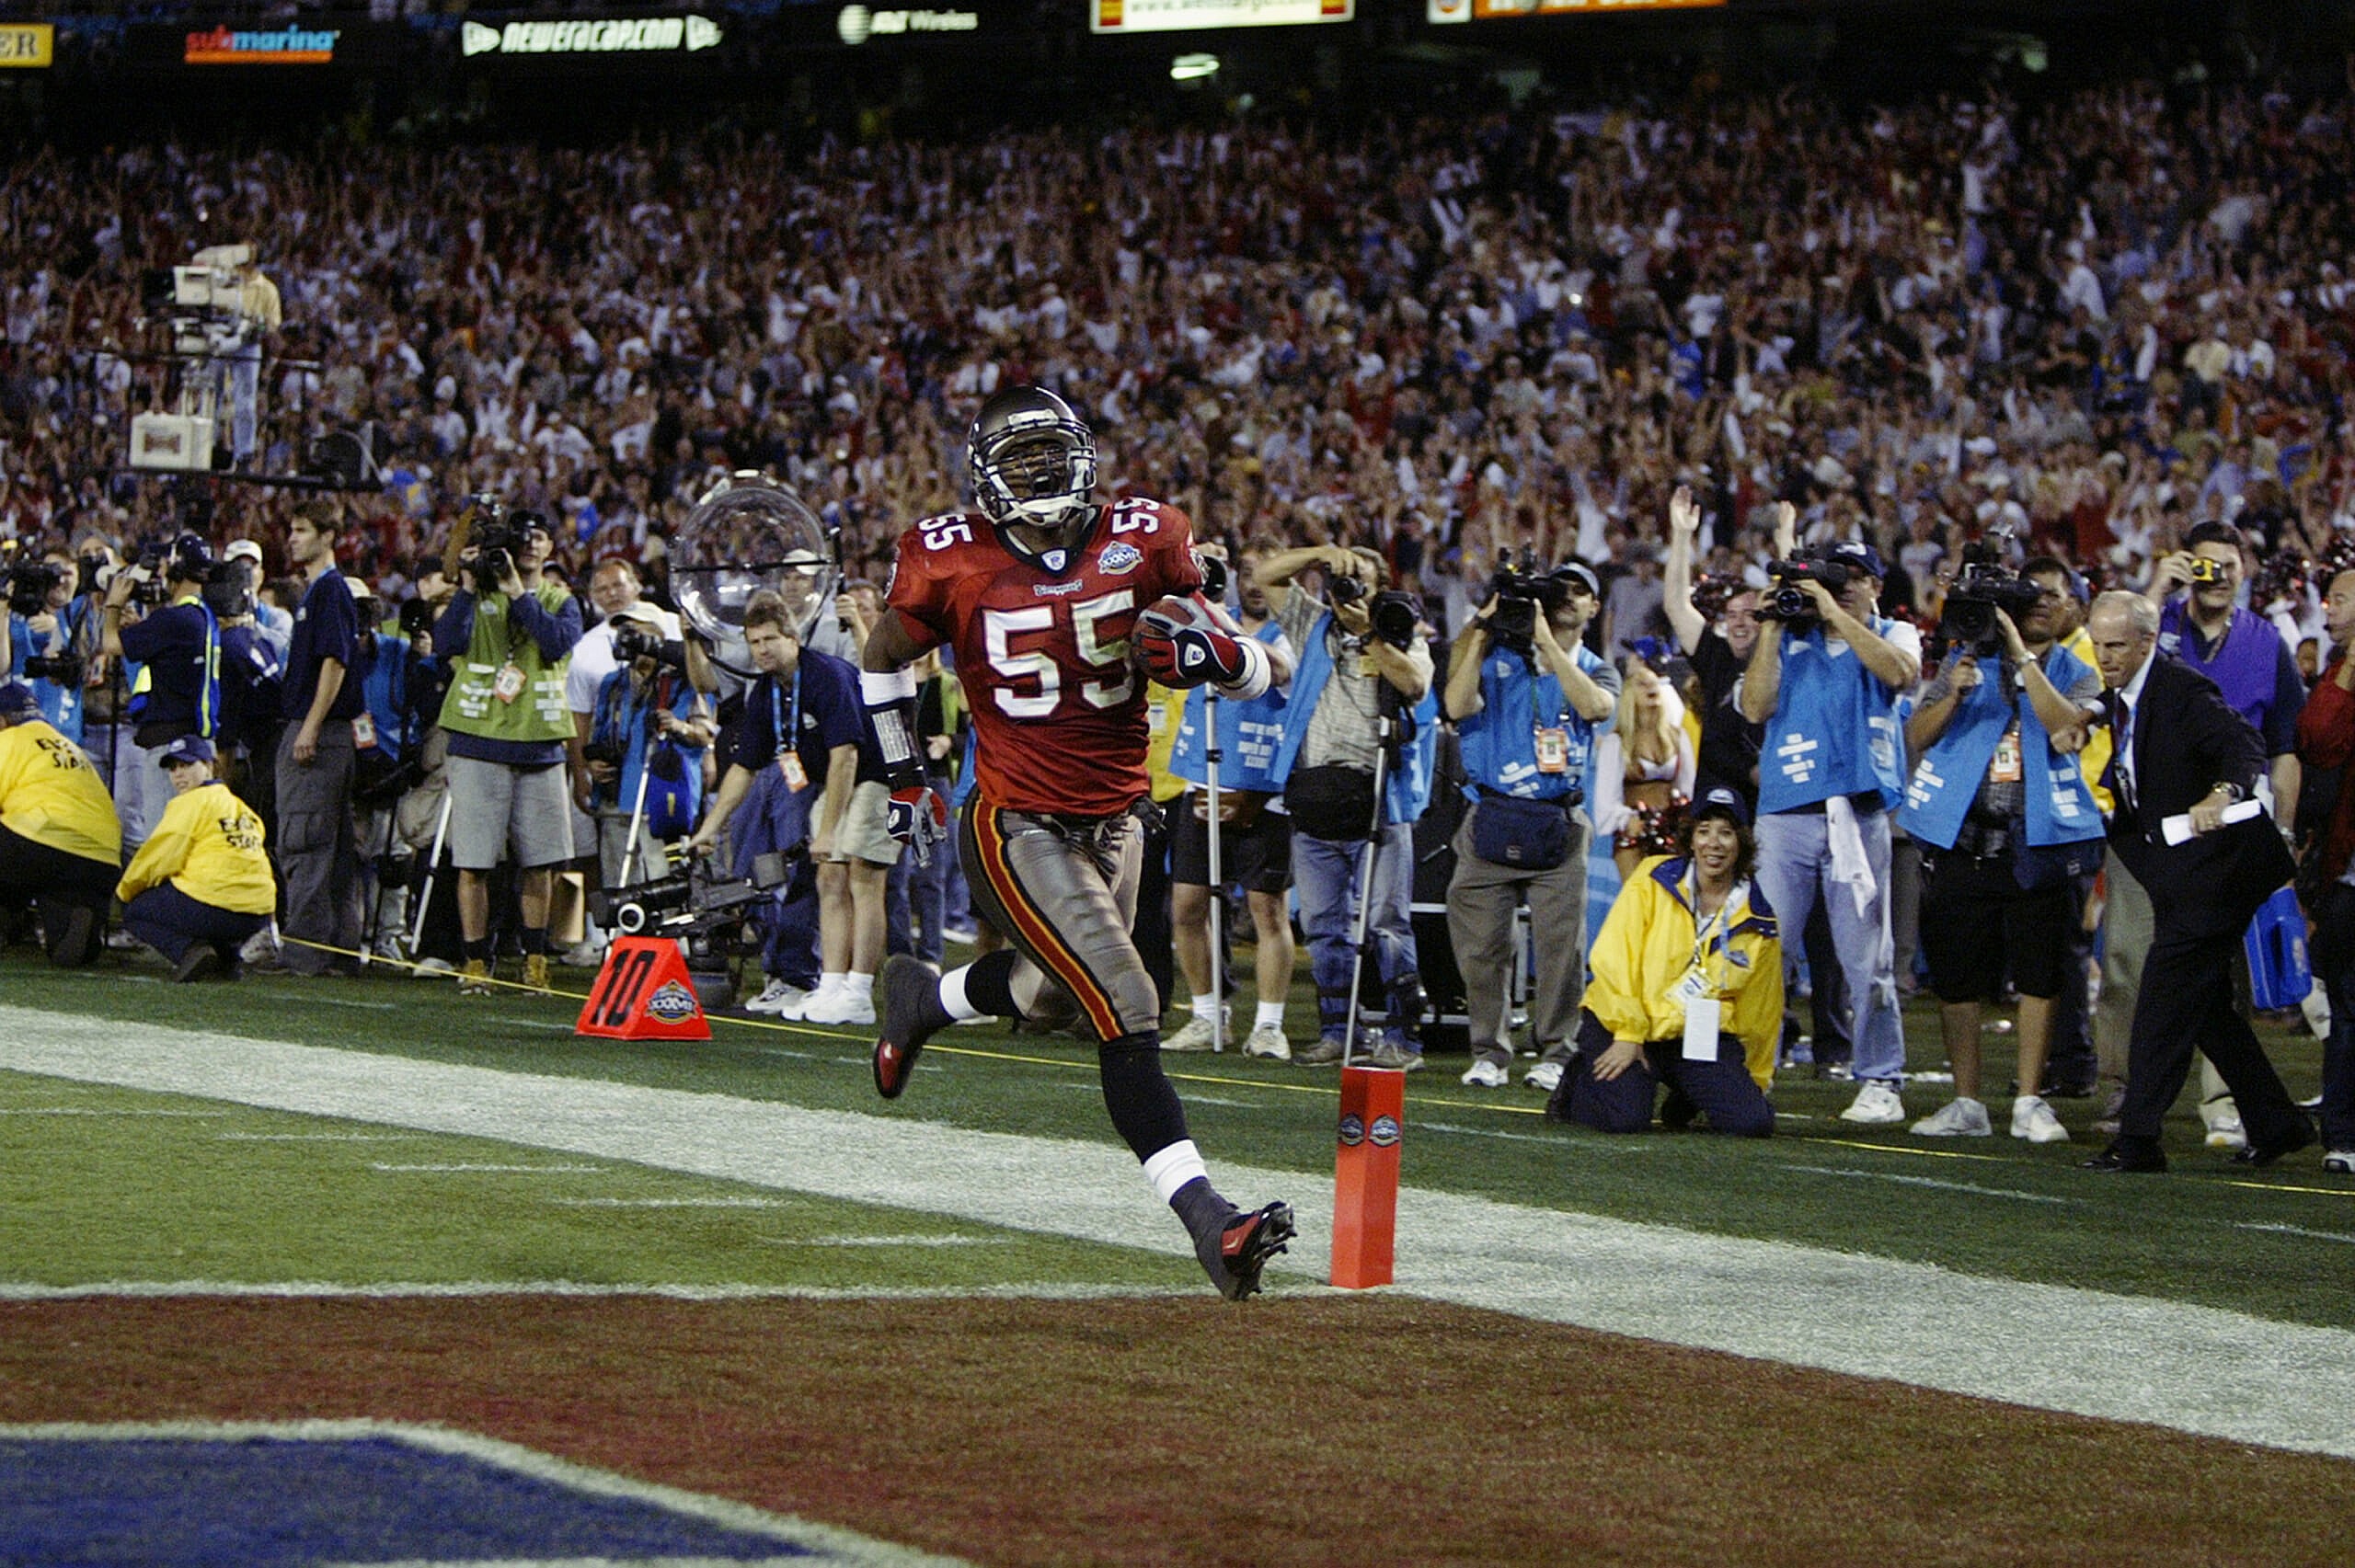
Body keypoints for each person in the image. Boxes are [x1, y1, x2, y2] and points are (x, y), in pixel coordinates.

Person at [858, 384, 1294, 1300]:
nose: (1040, 475)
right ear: (984, 477)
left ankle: (919, 998)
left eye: (1050, 454)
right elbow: (879, 658)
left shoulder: (1148, 535)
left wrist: (1224, 661)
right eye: (1019, 462)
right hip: (1015, 819)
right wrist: (903, 773)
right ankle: (1209, 1220)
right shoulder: (946, 558)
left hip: (1119, 814)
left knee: (1049, 992)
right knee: (1127, 1000)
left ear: (1083, 455)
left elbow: (1270, 666)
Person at [2079, 591, 2312, 1173]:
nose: (2103, 657)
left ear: (2147, 643)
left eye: (2114, 646)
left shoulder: (2183, 690)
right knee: (2206, 1009)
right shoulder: (2123, 694)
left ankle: (2138, 1140)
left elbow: (2245, 745)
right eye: (2098, 644)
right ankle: (2278, 1123)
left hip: (2218, 871)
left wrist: (2222, 792)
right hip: (2183, 872)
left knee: (2161, 1001)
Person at [1899, 593, 2102, 1144]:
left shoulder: (2079, 671)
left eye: (2050, 599)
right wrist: (1956, 694)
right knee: (1957, 979)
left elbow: (2065, 724)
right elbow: (1915, 736)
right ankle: (1967, 1102)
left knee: (2040, 974)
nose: (2039, 608)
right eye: (2025, 599)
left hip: (2036, 841)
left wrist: (2020, 657)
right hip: (1963, 838)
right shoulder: (1962, 663)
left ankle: (2030, 1101)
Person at [1739, 518, 1922, 1124]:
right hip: (1787, 813)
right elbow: (1756, 705)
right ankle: (1750, 1069)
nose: (1841, 585)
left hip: (1857, 811)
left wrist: (1834, 612)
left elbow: (1899, 674)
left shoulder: (1896, 629)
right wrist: (1770, 624)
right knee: (1766, 952)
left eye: (1853, 576)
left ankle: (1880, 1079)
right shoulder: (1790, 635)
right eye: (1832, 576)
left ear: (1874, 584)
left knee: (1868, 958)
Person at [1255, 542, 1440, 1070]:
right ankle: (1340, 1032)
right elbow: (1268, 572)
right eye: (1343, 577)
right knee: (1321, 924)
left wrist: (1367, 632)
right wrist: (1320, 554)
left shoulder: (1401, 633)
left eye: (1361, 577)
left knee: (1386, 923)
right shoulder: (1311, 624)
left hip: (1380, 801)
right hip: (1314, 797)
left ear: (1381, 588)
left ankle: (1404, 1041)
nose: (1348, 584)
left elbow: (1415, 685)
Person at [1442, 560, 1619, 1092]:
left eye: (1580, 591)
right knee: (1480, 946)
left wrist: (1546, 641)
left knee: (1561, 946)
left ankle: (1557, 1050)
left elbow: (1595, 706)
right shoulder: (1496, 657)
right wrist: (1482, 628)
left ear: (1594, 607)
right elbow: (1454, 704)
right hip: (1491, 817)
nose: (1568, 596)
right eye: (1559, 588)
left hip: (1558, 821)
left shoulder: (1596, 666)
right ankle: (1489, 1051)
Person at [1548, 786, 1781, 1137]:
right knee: (1625, 1119)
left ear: (1743, 842)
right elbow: (1615, 959)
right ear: (1690, 839)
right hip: (1622, 1023)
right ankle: (1578, 1079)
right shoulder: (1653, 878)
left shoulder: (1759, 920)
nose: (1713, 844)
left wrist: (1756, 1080)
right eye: (1704, 831)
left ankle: (1688, 1093)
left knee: (1752, 1122)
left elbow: (1761, 1011)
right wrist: (1628, 1033)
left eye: (1726, 833)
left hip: (1694, 1037)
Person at [687, 591, 872, 1023]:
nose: (762, 650)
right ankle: (828, 986)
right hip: (829, 782)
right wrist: (710, 827)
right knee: (827, 879)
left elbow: (847, 755)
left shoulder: (825, 675)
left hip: (871, 777)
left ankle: (856, 989)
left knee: (861, 882)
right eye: (754, 642)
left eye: (770, 639)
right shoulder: (768, 691)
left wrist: (826, 831)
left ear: (793, 637)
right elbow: (744, 769)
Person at [431, 509, 581, 994]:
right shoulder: (475, 597)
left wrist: (519, 592)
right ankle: (477, 962)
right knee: (474, 861)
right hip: (477, 741)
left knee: (542, 863)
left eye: (541, 537)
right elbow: (444, 643)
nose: (532, 545)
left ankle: (535, 960)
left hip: (539, 745)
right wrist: (470, 586)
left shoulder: (561, 600)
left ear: (550, 550)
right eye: (524, 538)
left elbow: (557, 643)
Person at [1162, 541, 1299, 1059]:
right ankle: (1203, 1015)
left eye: (1267, 575)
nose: (1255, 583)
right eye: (1245, 573)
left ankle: (1268, 1025)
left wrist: (1212, 613)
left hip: (1264, 790)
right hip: (1203, 778)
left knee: (1267, 911)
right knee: (1187, 906)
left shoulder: (1295, 633)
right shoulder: (1209, 622)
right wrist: (1191, 574)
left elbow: (1279, 671)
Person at [269, 501, 365, 977]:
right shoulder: (320, 592)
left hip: (319, 733)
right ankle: (341, 950)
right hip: (331, 733)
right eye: (292, 529)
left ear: (329, 536)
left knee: (303, 840)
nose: (292, 538)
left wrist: (308, 724)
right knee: (335, 847)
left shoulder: (328, 592)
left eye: (302, 530)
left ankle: (304, 954)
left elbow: (335, 662)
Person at [115, 734, 275, 981]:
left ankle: (190, 952)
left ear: (210, 766)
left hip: (216, 907)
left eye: (187, 765)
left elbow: (158, 859)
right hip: (258, 914)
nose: (179, 774)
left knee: (137, 911)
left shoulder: (190, 803)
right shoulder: (240, 807)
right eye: (173, 768)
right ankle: (228, 960)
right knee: (198, 890)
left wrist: (125, 893)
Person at [2292, 561, 2355, 1177]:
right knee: (2349, 1005)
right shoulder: (2339, 670)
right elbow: (2318, 738)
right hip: (2347, 872)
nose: (2327, 609)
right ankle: (2343, 1132)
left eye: (2338, 599)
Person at [100, 533, 222, 853]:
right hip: (194, 741)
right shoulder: (201, 616)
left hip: (171, 747)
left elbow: (111, 644)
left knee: (163, 845)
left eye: (166, 564)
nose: (161, 571)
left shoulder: (174, 619)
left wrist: (113, 604)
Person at [581, 604, 714, 891]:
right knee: (619, 885)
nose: (629, 639)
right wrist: (593, 763)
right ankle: (623, 937)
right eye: (623, 632)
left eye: (637, 631)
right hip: (616, 802)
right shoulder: (613, 683)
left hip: (664, 802)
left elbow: (705, 735)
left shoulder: (684, 682)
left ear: (657, 635)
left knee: (663, 883)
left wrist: (679, 726)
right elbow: (599, 734)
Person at [0, 679, 120, 966]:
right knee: (65, 942)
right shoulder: (68, 747)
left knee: (20, 858)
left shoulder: (7, 741)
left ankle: (6, 921)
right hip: (102, 858)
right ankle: (80, 923)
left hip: (41, 840)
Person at [1591, 655, 1695, 881]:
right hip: (1634, 834)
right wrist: (1627, 821)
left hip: (1673, 833)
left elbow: (1688, 788)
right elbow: (1605, 803)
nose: (1650, 687)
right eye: (1642, 683)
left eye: (1654, 682)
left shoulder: (1677, 737)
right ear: (1629, 696)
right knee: (1637, 901)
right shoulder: (1617, 742)